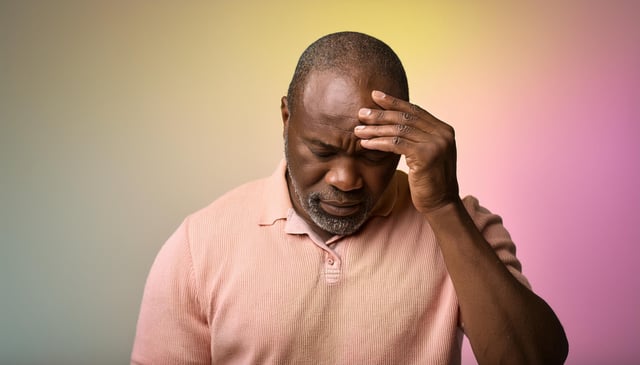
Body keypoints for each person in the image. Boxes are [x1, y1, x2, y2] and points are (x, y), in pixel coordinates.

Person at [131, 31, 568, 365]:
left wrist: (442, 208)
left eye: (375, 156)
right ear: (287, 118)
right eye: (322, 150)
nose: (345, 179)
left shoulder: (461, 224)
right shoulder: (198, 245)